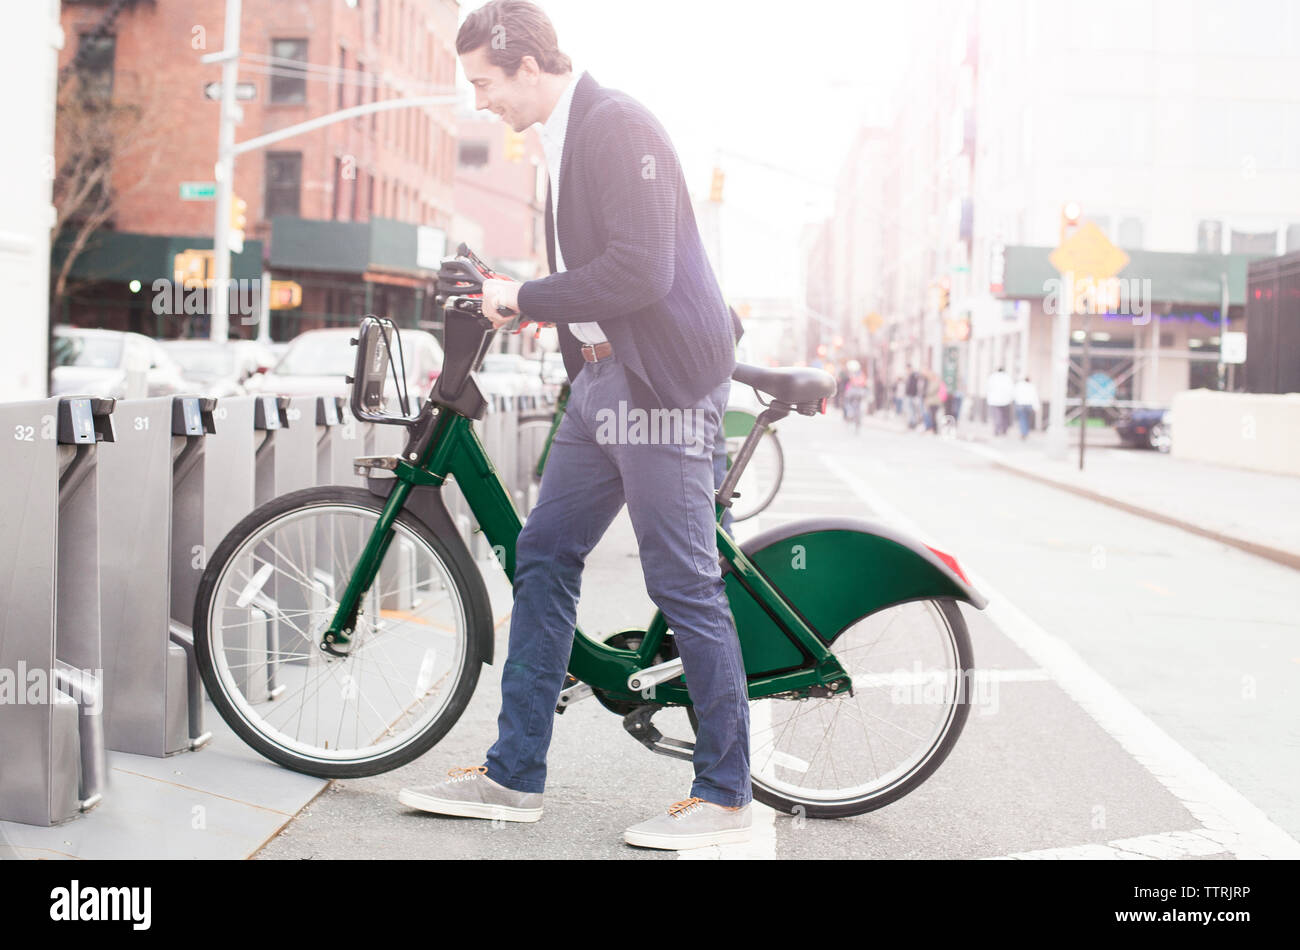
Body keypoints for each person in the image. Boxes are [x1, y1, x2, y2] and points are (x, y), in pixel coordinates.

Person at [399, 0, 751, 851]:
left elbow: (640, 269)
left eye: (484, 82)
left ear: (524, 61)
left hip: (658, 386)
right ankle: (514, 775)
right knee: (543, 554)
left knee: (684, 582)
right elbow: (598, 276)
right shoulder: (563, 138)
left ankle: (728, 797)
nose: (481, 101)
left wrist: (520, 295)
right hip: (599, 386)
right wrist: (532, 301)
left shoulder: (617, 122)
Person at [986, 366, 1015, 437]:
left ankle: (997, 429)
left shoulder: (992, 377)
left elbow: (988, 388)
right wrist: (1011, 398)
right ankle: (1004, 429)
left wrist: (989, 398)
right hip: (1006, 400)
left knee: (997, 415)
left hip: (994, 400)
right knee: (1005, 416)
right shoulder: (1007, 377)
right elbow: (1011, 389)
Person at [1014, 374, 1040, 439]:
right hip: (1029, 405)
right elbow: (1035, 397)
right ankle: (1025, 432)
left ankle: (1023, 432)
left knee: (1022, 419)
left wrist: (1016, 402)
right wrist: (1036, 407)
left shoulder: (1019, 386)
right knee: (1027, 419)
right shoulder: (1032, 386)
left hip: (1021, 404)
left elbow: (1015, 395)